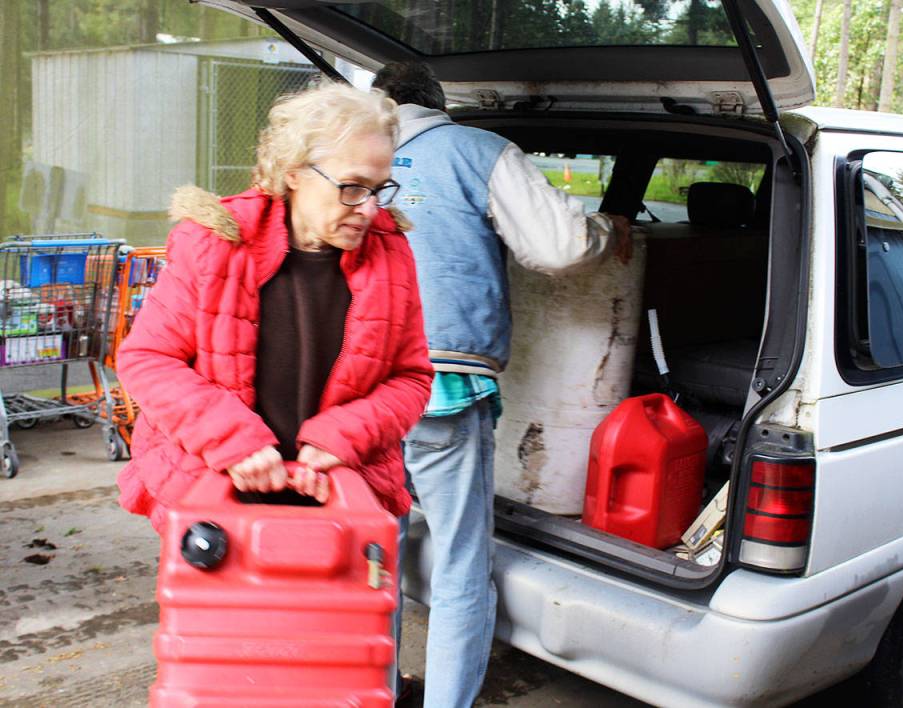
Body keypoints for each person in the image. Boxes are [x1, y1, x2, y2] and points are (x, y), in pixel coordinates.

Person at [372, 61, 631, 708]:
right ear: (439, 105)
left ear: (384, 103)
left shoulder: (354, 154)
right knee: (461, 565)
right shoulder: (476, 149)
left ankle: (369, 691)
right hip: (442, 387)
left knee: (374, 554)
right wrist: (610, 231)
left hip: (358, 389)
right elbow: (558, 246)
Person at [115, 81, 432, 541]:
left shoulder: (391, 254)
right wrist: (233, 442)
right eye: (351, 187)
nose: (367, 209)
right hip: (214, 495)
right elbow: (148, 359)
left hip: (337, 497)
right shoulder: (214, 242)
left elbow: (412, 377)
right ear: (294, 172)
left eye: (379, 189)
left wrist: (342, 438)